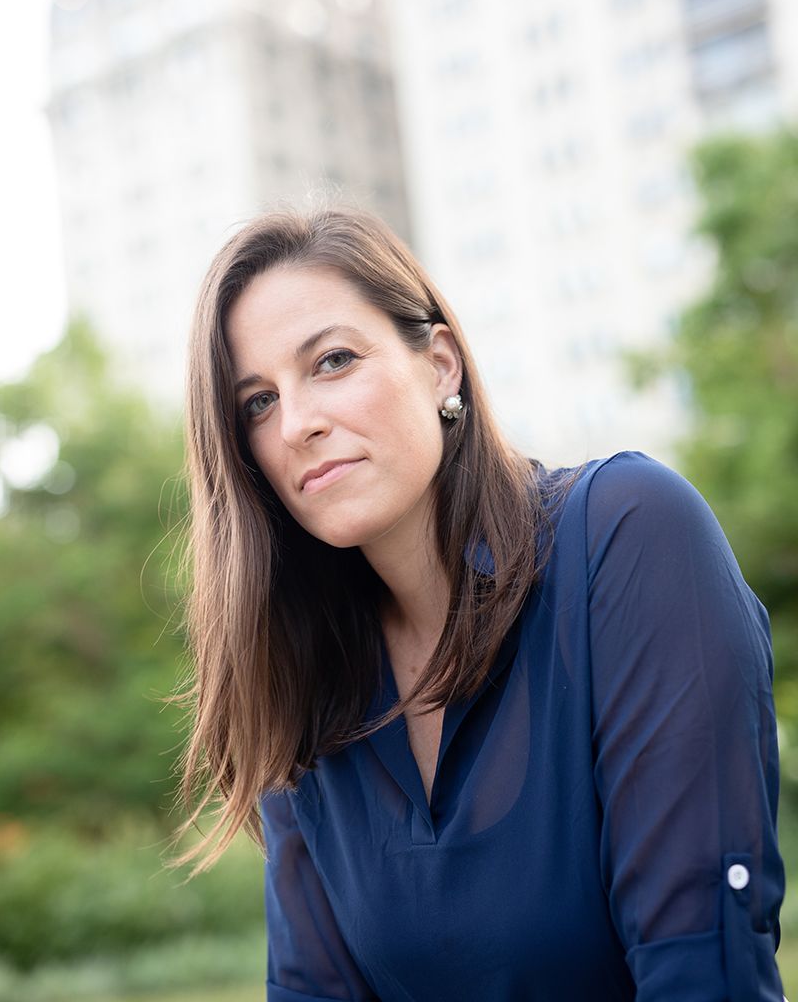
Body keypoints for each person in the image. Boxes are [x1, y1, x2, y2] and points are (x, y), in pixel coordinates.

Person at [174, 206, 786, 1001]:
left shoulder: (630, 537)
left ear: (440, 366)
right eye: (256, 402)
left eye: (331, 361)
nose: (297, 424)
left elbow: (702, 969)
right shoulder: (299, 674)